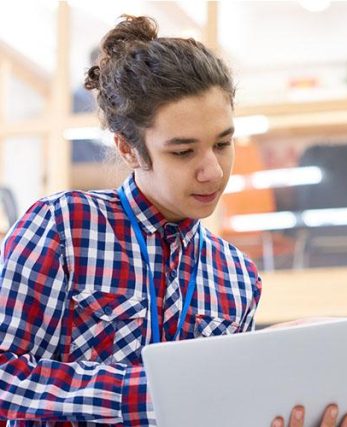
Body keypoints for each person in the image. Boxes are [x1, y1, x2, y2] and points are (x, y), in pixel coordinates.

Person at [0, 15, 262, 426]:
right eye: (183, 152)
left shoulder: (238, 276)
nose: (212, 170)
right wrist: (148, 394)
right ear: (128, 150)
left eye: (223, 143)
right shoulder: (62, 229)